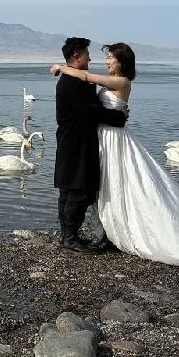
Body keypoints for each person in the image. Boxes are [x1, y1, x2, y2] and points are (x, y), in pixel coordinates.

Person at [51, 42, 179, 270]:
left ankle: (116, 234)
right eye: (102, 57)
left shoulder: (122, 81)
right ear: (77, 56)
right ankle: (102, 234)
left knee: (121, 184)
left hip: (114, 139)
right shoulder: (90, 81)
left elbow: (87, 78)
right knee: (107, 187)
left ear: (122, 62)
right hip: (102, 139)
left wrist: (62, 67)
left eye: (110, 58)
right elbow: (91, 100)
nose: (104, 61)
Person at [52, 37, 128, 254]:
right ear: (76, 56)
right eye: (86, 53)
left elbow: (91, 108)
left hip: (74, 140)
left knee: (71, 189)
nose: (90, 57)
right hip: (76, 142)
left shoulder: (73, 79)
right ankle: (70, 237)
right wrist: (117, 117)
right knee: (78, 190)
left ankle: (68, 236)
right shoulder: (72, 82)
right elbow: (90, 111)